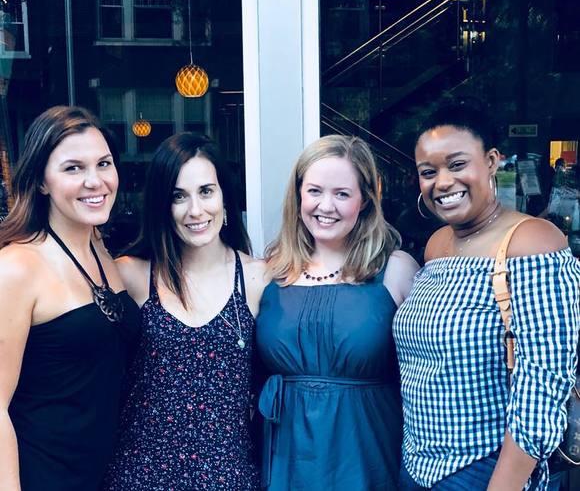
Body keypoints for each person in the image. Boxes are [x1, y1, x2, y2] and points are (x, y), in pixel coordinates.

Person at [394, 104, 580, 490]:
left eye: (457, 164)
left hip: (484, 470)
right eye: (428, 172)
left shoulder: (533, 242)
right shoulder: (436, 245)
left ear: (492, 161)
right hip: (416, 467)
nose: (443, 182)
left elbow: (542, 389)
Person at [103, 132, 267, 490]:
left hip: (228, 477)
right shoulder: (131, 274)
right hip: (140, 476)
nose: (195, 210)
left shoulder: (257, 278)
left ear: (224, 197)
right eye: (179, 196)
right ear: (162, 205)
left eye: (206, 191)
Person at [256, 134, 419, 490]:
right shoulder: (268, 273)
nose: (325, 206)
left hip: (366, 457)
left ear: (364, 201)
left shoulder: (396, 269)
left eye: (342, 194)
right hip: (287, 459)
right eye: (314, 191)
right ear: (298, 195)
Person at [0, 106, 141, 491]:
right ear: (41, 182)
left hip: (104, 475)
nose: (95, 181)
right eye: (73, 168)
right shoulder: (17, 267)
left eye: (103, 164)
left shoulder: (102, 251)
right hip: (42, 476)